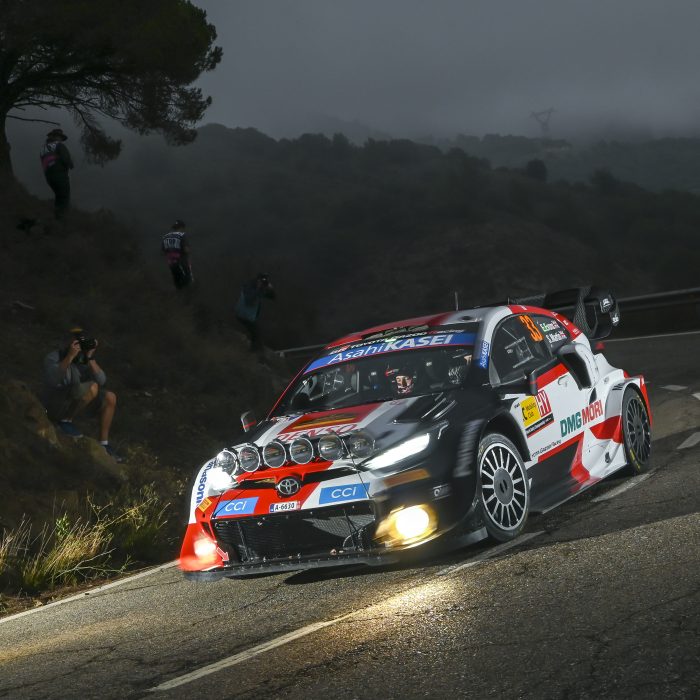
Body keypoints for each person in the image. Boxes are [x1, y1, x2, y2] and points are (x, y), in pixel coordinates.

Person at [42, 328, 121, 461]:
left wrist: (90, 357)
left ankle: (104, 443)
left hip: (73, 400)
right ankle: (64, 421)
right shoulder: (54, 357)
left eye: (81, 343)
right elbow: (53, 380)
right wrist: (69, 357)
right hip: (55, 402)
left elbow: (102, 380)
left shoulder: (83, 360)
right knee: (92, 387)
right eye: (75, 342)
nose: (78, 346)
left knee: (110, 397)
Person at [234, 273, 275, 350]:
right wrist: (258, 289)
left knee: (255, 333)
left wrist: (270, 288)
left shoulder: (260, 289)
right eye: (262, 281)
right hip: (242, 314)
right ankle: (255, 351)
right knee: (256, 333)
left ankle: (253, 350)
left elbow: (273, 297)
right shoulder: (249, 287)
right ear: (258, 280)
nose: (263, 283)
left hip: (249, 316)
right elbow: (249, 300)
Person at [40, 128, 74, 220]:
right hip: (60, 176)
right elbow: (66, 159)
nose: (61, 139)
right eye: (60, 137)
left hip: (49, 178)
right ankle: (61, 221)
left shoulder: (43, 148)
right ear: (56, 137)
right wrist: (71, 164)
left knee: (59, 197)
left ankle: (57, 219)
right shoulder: (59, 145)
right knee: (64, 198)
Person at [161, 220, 193, 290]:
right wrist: (189, 252)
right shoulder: (182, 235)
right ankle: (189, 294)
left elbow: (163, 251)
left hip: (171, 262)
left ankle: (179, 294)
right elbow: (186, 249)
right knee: (188, 280)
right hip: (182, 261)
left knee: (177, 280)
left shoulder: (165, 236)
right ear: (182, 227)